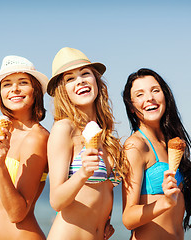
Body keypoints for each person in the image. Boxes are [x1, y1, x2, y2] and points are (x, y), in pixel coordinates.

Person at [46, 47, 129, 240]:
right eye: (70, 78)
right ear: (63, 90)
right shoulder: (64, 129)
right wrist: (83, 173)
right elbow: (56, 201)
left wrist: (106, 221)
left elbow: (104, 191)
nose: (80, 80)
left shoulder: (106, 135)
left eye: (85, 74)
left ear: (96, 81)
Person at [121, 68, 191, 240]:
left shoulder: (171, 143)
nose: (149, 98)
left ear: (165, 96)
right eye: (140, 94)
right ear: (131, 107)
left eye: (155, 90)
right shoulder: (135, 146)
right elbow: (128, 218)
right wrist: (165, 202)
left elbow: (174, 206)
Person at [0, 55, 49, 240]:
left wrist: (1, 164)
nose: (15, 89)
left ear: (35, 90)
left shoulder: (36, 138)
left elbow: (17, 214)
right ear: (1, 94)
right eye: (7, 84)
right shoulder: (3, 132)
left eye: (23, 82)